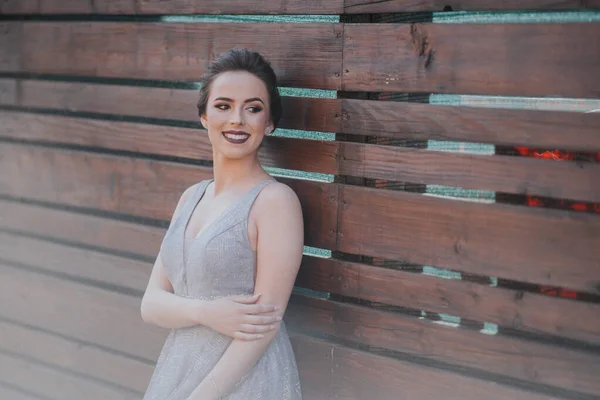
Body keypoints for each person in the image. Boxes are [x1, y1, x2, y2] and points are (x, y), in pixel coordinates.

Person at [140, 48, 304, 400]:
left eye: (254, 108)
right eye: (224, 105)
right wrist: (206, 311)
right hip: (180, 371)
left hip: (243, 383)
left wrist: (204, 396)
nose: (238, 120)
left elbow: (264, 325)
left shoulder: (275, 201)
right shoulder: (191, 197)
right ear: (204, 116)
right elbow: (151, 304)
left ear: (269, 122)